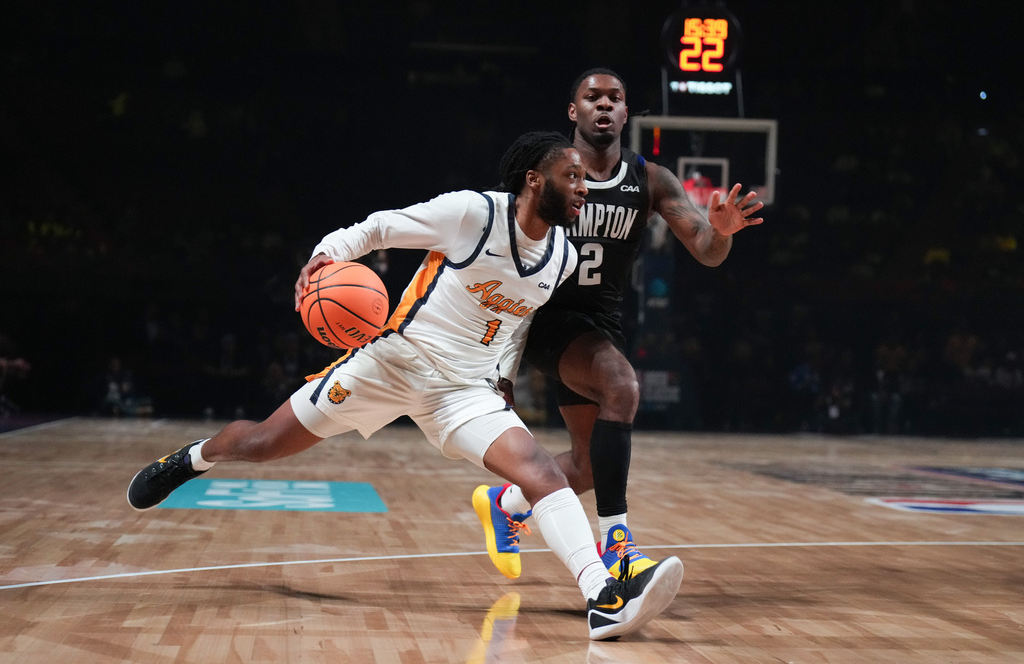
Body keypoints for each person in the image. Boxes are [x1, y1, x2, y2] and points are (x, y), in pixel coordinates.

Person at [126, 131, 684, 641]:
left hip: (464, 390)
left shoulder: (560, 256)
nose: (584, 187)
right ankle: (193, 458)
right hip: (393, 363)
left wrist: (504, 379)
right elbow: (378, 227)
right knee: (264, 443)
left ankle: (602, 599)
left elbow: (516, 326)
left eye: (586, 179)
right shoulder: (472, 214)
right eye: (573, 177)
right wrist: (326, 256)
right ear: (535, 180)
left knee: (539, 472)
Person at [474, 68, 764, 581]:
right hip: (543, 319)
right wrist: (500, 359)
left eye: (615, 98)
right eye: (592, 97)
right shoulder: (545, 174)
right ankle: (618, 547)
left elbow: (706, 249)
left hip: (598, 326)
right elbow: (499, 249)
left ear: (626, 113)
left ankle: (510, 503)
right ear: (574, 111)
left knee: (588, 466)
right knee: (623, 385)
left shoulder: (650, 180)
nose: (604, 105)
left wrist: (721, 233)